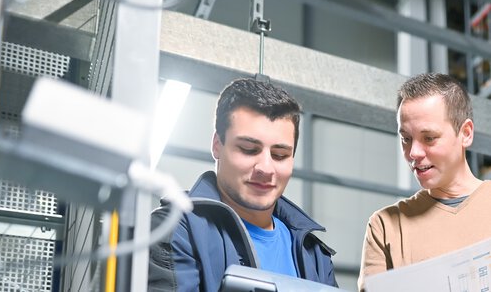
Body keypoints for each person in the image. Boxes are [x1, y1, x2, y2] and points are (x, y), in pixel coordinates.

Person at [148, 78, 338, 291]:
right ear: (217, 145)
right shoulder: (173, 231)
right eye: (248, 149)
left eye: (280, 155)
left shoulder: (314, 255)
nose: (265, 168)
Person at [357, 73, 491, 291]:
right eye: (406, 139)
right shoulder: (386, 226)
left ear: (465, 133)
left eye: (429, 138)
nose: (413, 153)